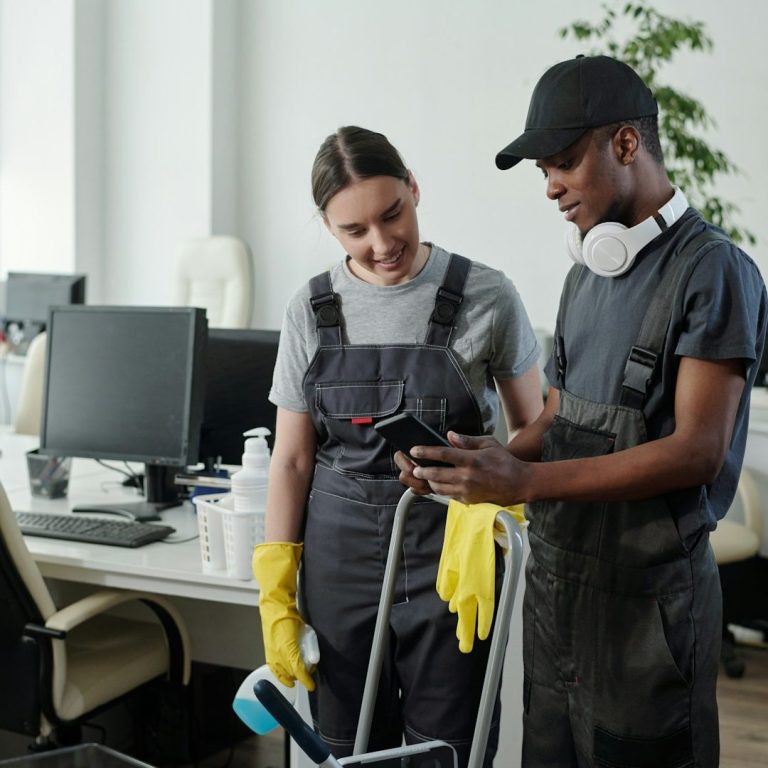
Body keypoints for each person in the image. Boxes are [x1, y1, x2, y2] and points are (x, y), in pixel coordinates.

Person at [395, 56, 768, 768]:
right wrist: (478, 458)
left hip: (648, 614)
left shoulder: (713, 271)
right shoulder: (583, 278)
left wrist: (524, 484)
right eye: (543, 171)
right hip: (556, 599)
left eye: (563, 162)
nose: (551, 187)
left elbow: (698, 451)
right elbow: (561, 417)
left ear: (626, 145)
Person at [252, 125, 543, 766]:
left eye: (393, 215)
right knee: (345, 747)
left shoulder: (486, 294)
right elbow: (294, 458)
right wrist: (275, 589)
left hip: (451, 558)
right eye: (355, 231)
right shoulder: (312, 308)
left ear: (414, 189)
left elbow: (535, 430)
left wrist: (490, 507)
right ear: (329, 228)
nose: (382, 245)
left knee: (448, 751)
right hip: (339, 561)